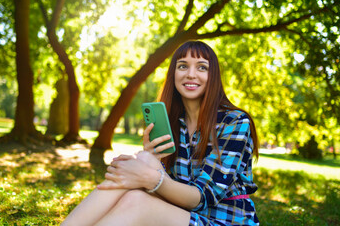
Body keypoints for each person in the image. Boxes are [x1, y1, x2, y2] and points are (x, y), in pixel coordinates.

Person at [61, 41, 259, 226]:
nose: (190, 74)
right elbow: (169, 186)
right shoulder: (173, 123)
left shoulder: (235, 121)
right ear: (173, 74)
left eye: (201, 67)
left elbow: (204, 197)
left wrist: (151, 178)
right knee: (142, 167)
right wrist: (153, 158)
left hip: (225, 220)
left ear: (213, 76)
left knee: (139, 199)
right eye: (182, 66)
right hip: (181, 214)